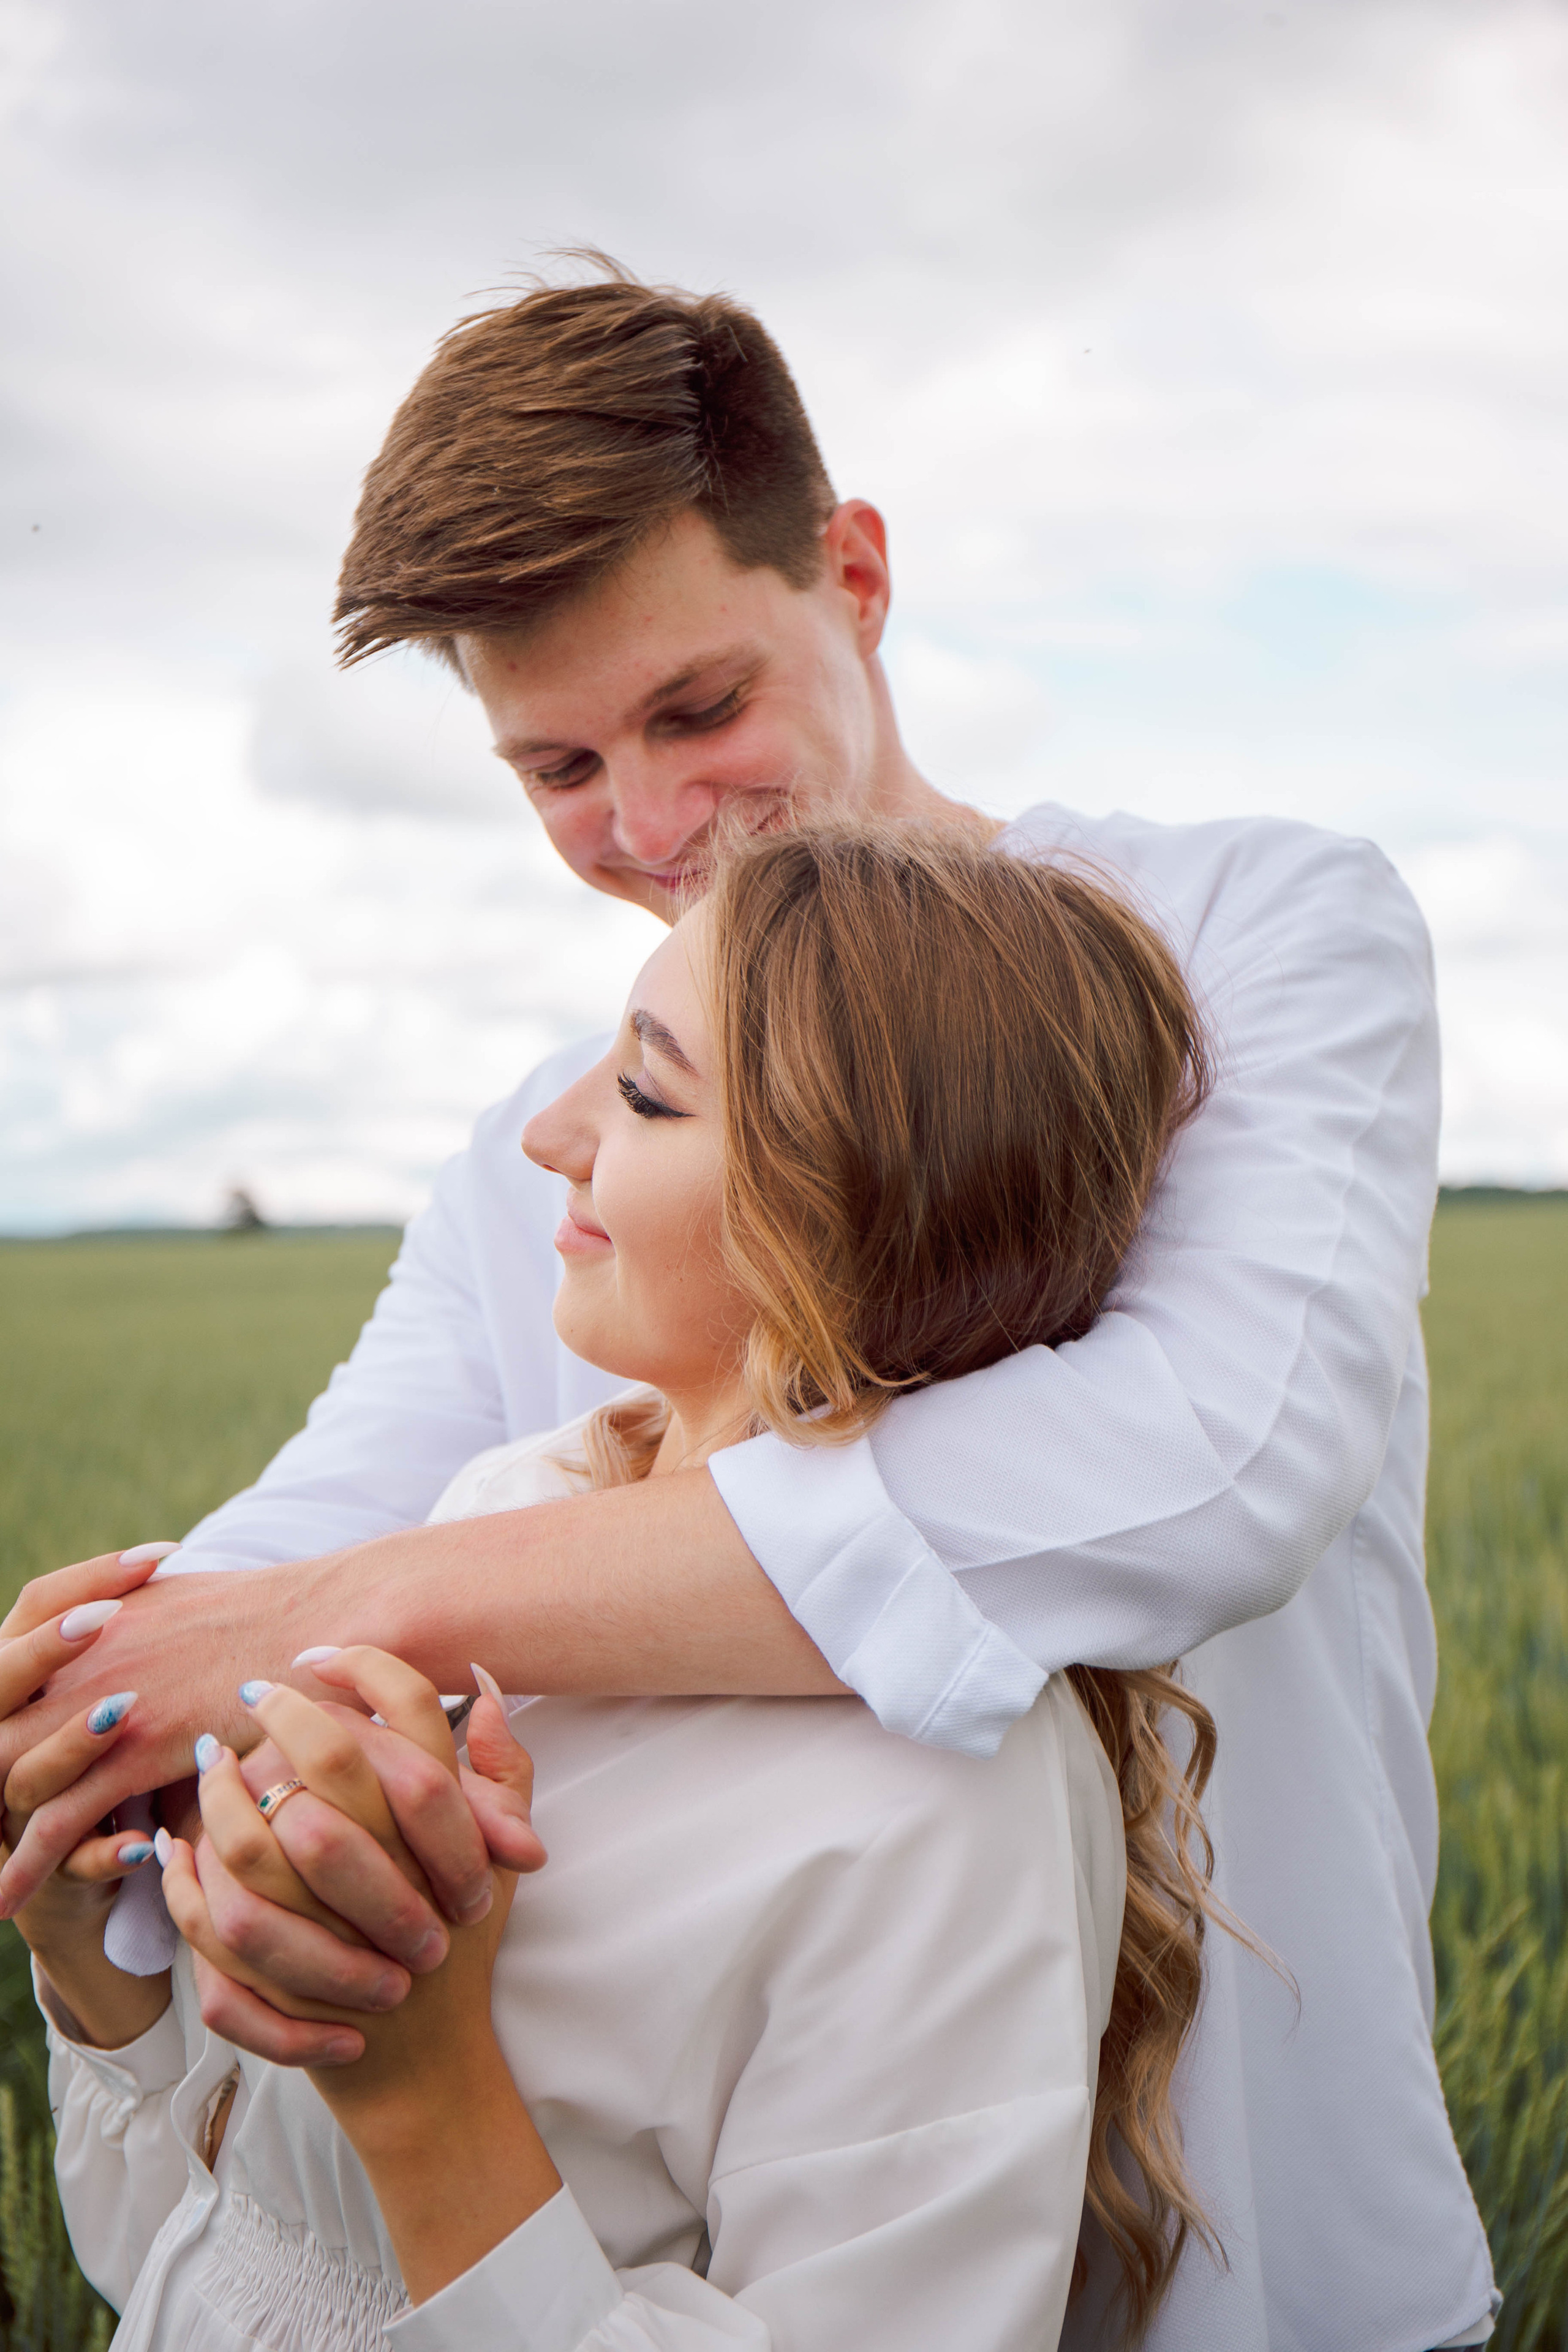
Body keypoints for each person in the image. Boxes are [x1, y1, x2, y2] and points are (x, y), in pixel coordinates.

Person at [0, 263, 1496, 2347]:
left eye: (699, 709)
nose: (646, 826)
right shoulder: (558, 1161)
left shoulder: (1241, 938)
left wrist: (353, 1614)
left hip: (1269, 2249)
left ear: (855, 577)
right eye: (556, 764)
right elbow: (282, 1561)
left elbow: (1205, 1464)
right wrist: (117, 1721)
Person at [17, 827, 1224, 2350]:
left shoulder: (950, 1803)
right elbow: (206, 2263)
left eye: (646, 1091)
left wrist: (425, 2090)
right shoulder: (511, 1506)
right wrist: (92, 1953)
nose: (548, 1135)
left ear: (866, 1198)